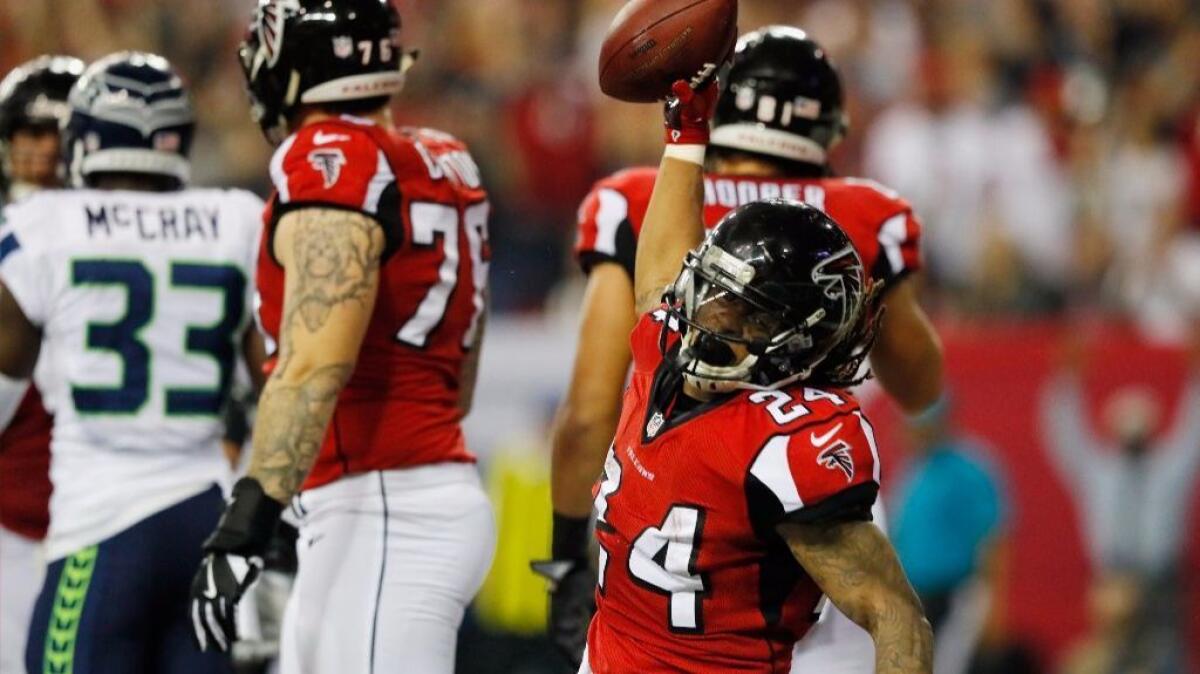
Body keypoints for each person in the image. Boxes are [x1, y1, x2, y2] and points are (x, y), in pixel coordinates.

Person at [541, 26, 943, 672]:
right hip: (758, 504)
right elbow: (920, 386)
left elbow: (588, 408)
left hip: (789, 501)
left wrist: (563, 555)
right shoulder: (860, 219)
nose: (703, 313)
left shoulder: (640, 201)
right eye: (706, 290)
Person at [189, 1, 496, 671]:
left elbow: (315, 363)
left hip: (386, 506)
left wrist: (249, 518)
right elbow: (461, 381)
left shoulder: (330, 155)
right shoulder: (446, 158)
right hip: (400, 496)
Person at [0, 51, 264, 672]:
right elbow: (281, 381)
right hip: (208, 523)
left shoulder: (43, 224)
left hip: (100, 525)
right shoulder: (239, 220)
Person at [0, 52, 83, 674]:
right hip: (19, 522)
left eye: (57, 136)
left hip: (100, 513)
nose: (45, 154)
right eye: (31, 135)